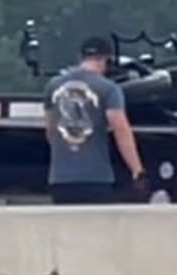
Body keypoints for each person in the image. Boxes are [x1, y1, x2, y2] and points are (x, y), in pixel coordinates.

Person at [44, 36, 147, 204]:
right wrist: (137, 170)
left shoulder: (53, 86)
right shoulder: (109, 89)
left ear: (80, 58)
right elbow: (120, 129)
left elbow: (50, 131)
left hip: (60, 179)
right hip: (96, 177)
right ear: (106, 60)